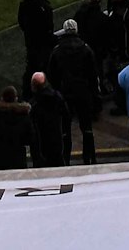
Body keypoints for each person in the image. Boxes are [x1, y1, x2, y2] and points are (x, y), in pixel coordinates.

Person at [48, 18, 100, 163]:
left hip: (65, 94)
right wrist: (95, 96)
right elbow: (93, 75)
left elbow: (52, 76)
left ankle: (65, 160)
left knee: (65, 130)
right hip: (83, 93)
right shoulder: (85, 48)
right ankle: (89, 158)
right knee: (87, 129)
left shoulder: (57, 51)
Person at [28, 71, 71, 167]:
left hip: (40, 145)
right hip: (56, 139)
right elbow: (66, 115)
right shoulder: (56, 97)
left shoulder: (33, 104)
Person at [17, 0, 55, 88]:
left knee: (31, 63)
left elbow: (21, 19)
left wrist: (27, 31)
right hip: (41, 41)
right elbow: (49, 26)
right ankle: (40, 85)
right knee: (42, 64)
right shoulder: (45, 7)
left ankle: (28, 86)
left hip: (30, 38)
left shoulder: (27, 1)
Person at [0, 85, 32, 170]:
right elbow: (30, 137)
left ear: (2, 98)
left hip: (0, 156)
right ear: (16, 98)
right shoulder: (23, 115)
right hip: (19, 156)